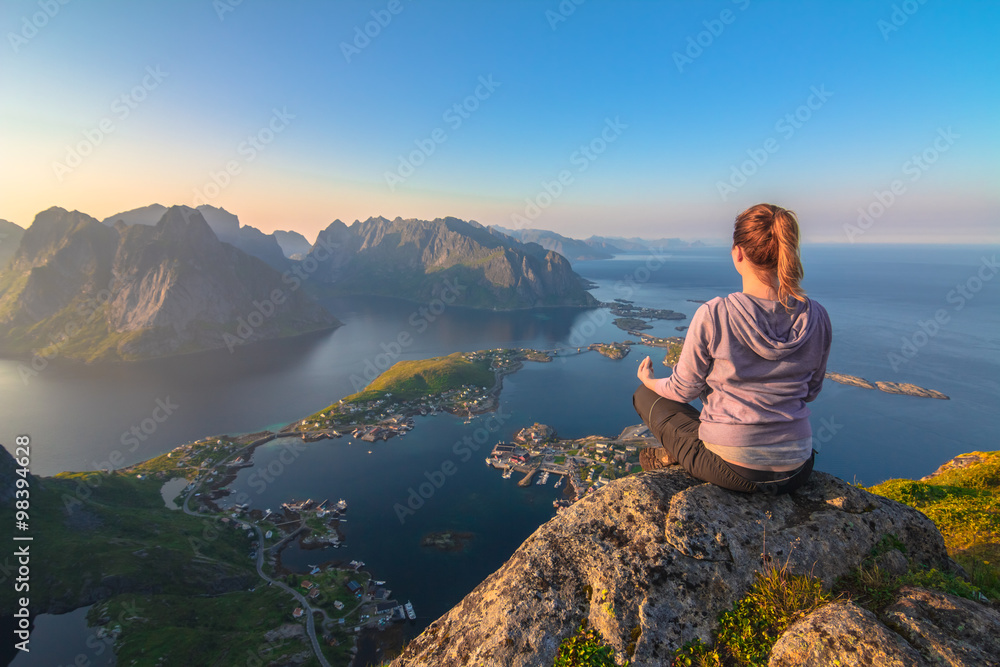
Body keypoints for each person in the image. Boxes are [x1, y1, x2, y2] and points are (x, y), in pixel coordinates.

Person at [633, 203, 831, 494]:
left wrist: (649, 380)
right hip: (798, 467)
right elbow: (811, 392)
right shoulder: (817, 316)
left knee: (645, 396)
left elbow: (682, 391)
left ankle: (675, 457)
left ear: (738, 253)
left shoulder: (716, 313)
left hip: (734, 468)